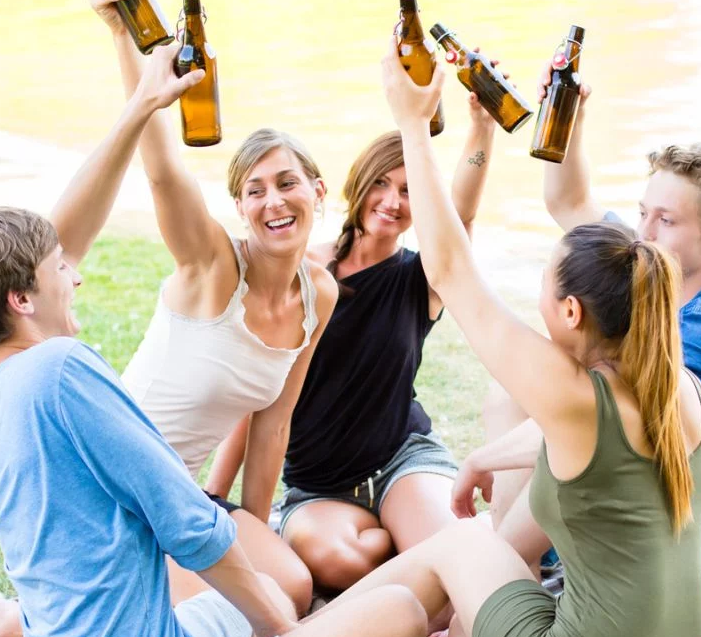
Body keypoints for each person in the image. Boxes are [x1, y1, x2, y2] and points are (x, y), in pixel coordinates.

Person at [0, 51, 429, 637]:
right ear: (22, 299)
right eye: (61, 270)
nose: (79, 274)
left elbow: (264, 434)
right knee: (388, 611)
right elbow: (192, 526)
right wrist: (282, 633)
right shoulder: (63, 370)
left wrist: (137, 105)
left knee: (276, 589)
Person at [311, 44, 701, 637]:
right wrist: (480, 461)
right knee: (488, 568)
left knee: (464, 547)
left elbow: (452, 271)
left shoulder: (572, 399)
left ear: (569, 312)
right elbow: (575, 448)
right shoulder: (683, 394)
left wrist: (410, 121)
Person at [0, 0, 335, 637]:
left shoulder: (318, 294)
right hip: (123, 497)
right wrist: (130, 55)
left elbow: (272, 425)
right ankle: (24, 622)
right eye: (256, 190)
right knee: (276, 596)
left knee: (293, 580)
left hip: (186, 493)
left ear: (318, 190)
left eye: (288, 184)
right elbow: (161, 172)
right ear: (238, 208)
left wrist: (253, 523)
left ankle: (42, 616)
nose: (274, 202)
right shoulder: (214, 266)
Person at [466, 58, 701, 612]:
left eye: (665, 222)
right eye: (644, 213)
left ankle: (493, 573)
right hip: (674, 512)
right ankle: (511, 566)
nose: (642, 233)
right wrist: (571, 121)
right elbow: (568, 203)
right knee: (513, 396)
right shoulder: (653, 271)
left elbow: (602, 420)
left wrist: (484, 460)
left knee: (578, 439)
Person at [208, 91, 501, 592]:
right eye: (381, 184)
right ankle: (409, 551)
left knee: (459, 558)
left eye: (409, 191)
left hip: (401, 461)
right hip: (318, 488)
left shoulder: (423, 277)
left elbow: (461, 215)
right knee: (342, 563)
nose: (391, 201)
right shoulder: (303, 274)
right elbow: (256, 399)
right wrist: (215, 495)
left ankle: (418, 541)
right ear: (357, 185)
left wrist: (481, 129)